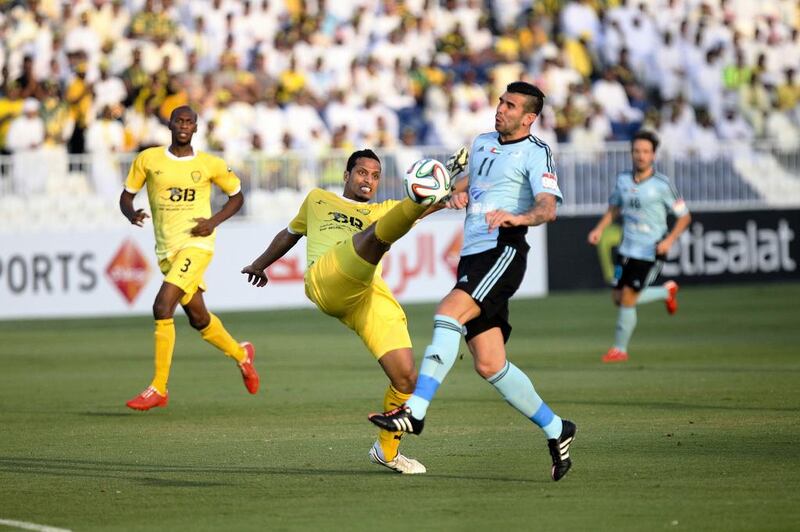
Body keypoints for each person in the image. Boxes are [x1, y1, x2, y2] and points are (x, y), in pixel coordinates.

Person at [368, 81, 577, 482]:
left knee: (448, 313)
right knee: (489, 363)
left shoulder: (537, 153)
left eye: (510, 105)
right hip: (474, 255)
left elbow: (548, 207)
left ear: (529, 117)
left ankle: (415, 411)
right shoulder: (481, 142)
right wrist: (445, 199)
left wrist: (519, 217)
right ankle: (557, 429)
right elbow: (461, 186)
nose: (500, 109)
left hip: (503, 250)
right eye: (501, 101)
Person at [241, 148, 465, 474]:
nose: (368, 180)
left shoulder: (383, 209)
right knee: (376, 235)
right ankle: (397, 217)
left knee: (406, 378)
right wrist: (260, 265)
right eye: (362, 173)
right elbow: (289, 235)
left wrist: (473, 171)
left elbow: (442, 197)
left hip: (366, 292)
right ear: (346, 176)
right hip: (326, 278)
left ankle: (386, 451)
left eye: (375, 176)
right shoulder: (318, 199)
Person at [120, 105, 259, 411]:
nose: (184, 125)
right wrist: (131, 214)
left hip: (198, 245)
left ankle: (158, 387)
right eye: (179, 120)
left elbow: (237, 196)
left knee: (162, 306)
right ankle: (241, 354)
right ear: (170, 124)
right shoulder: (148, 159)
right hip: (166, 250)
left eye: (189, 122)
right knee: (198, 318)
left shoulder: (210, 164)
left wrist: (213, 221)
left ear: (196, 128)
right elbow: (126, 196)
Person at [586, 130, 691, 363]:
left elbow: (684, 217)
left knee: (628, 297)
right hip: (626, 249)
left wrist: (668, 240)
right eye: (636, 151)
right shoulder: (622, 180)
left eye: (645, 152)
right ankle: (667, 291)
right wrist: (599, 229)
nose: (640, 156)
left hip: (651, 250)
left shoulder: (663, 185)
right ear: (631, 153)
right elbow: (614, 208)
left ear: (654, 155)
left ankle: (619, 349)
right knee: (617, 297)